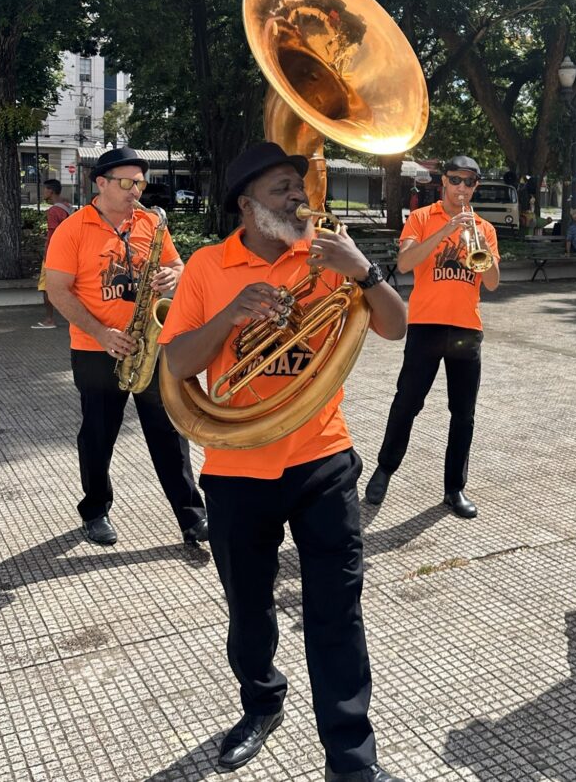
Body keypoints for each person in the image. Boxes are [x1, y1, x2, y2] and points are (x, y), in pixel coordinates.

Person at [159, 142, 408, 781]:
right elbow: (177, 363)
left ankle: (351, 760)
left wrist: (365, 271)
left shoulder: (326, 255)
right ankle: (262, 702)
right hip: (236, 468)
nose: (299, 197)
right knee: (248, 610)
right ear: (246, 205)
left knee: (337, 612)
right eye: (281, 189)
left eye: (300, 187)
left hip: (323, 460)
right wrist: (231, 316)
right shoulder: (208, 266)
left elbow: (395, 326)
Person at [44, 146, 207, 547]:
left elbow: (178, 265)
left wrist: (173, 276)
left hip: (151, 343)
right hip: (96, 348)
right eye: (128, 182)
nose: (137, 190)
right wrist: (101, 333)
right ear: (100, 183)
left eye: (140, 183)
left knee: (169, 432)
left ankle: (192, 516)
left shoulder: (151, 222)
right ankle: (95, 510)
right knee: (98, 434)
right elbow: (59, 291)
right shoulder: (72, 229)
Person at [364, 155, 500, 519]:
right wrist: (446, 230)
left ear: (475, 186)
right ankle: (385, 469)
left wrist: (480, 244)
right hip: (426, 326)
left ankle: (454, 488)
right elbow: (405, 263)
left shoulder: (484, 228)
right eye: (455, 180)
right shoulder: (422, 218)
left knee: (463, 414)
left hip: (466, 329)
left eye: (469, 182)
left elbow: (491, 282)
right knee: (407, 402)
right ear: (444, 181)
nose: (461, 187)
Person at [33, 179, 72, 328]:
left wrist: (47, 254)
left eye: (45, 189)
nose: (43, 192)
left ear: (50, 191)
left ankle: (49, 320)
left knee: (46, 287)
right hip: (67, 252)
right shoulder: (68, 207)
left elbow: (53, 235)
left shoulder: (53, 211)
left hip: (53, 254)